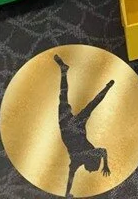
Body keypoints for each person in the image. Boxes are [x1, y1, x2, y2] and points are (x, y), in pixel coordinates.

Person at [54, 54, 113, 198]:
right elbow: (71, 176)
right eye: (91, 169)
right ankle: (64, 71)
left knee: (72, 99)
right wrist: (105, 164)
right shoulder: (81, 159)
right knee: (84, 102)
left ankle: (64, 70)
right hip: (72, 128)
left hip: (70, 127)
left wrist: (105, 165)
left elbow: (102, 152)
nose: (89, 171)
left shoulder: (81, 159)